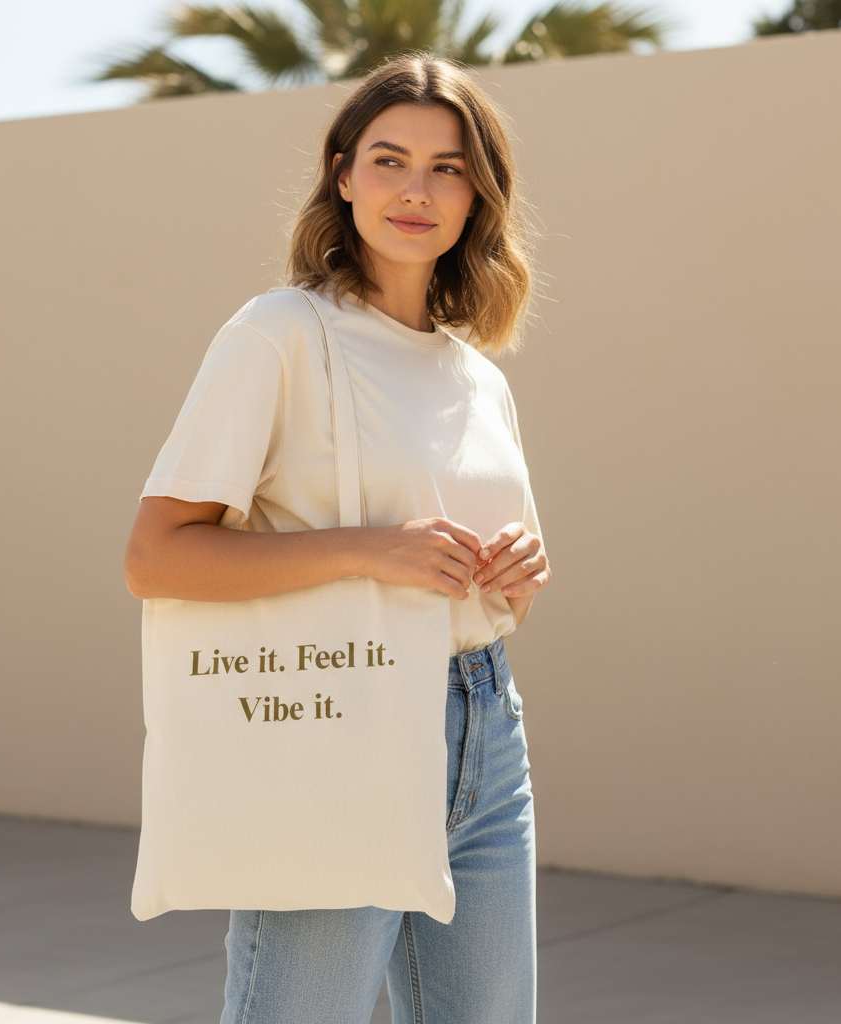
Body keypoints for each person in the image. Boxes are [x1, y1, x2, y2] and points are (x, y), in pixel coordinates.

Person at [124, 52, 551, 1024]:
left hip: (486, 730)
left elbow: (487, 592)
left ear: (479, 194)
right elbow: (155, 555)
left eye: (447, 168)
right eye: (390, 160)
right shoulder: (279, 334)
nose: (416, 190)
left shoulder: (479, 380)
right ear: (343, 174)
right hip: (340, 718)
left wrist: (516, 577)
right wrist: (369, 550)